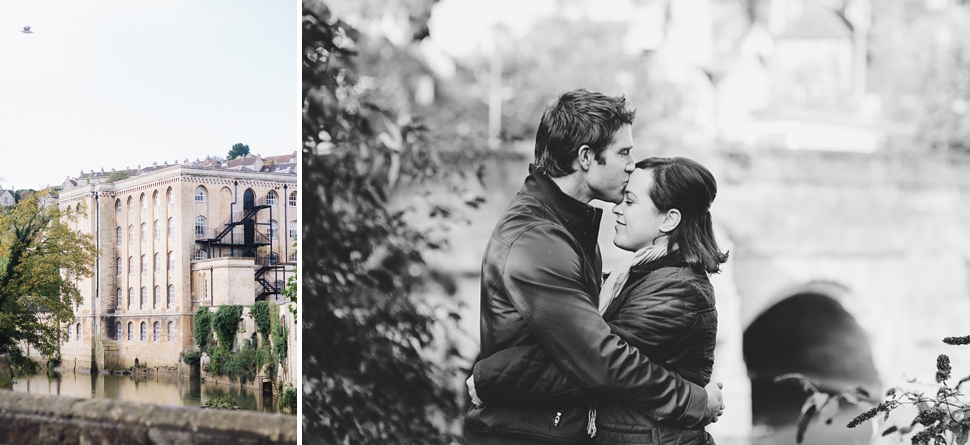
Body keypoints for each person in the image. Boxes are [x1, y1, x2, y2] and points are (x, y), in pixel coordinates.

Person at [464, 89, 724, 445]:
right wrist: (694, 400)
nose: (631, 163)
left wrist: (490, 377)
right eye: (624, 152)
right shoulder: (538, 239)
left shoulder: (567, 225)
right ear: (586, 157)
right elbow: (597, 358)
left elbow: (588, 340)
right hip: (525, 434)